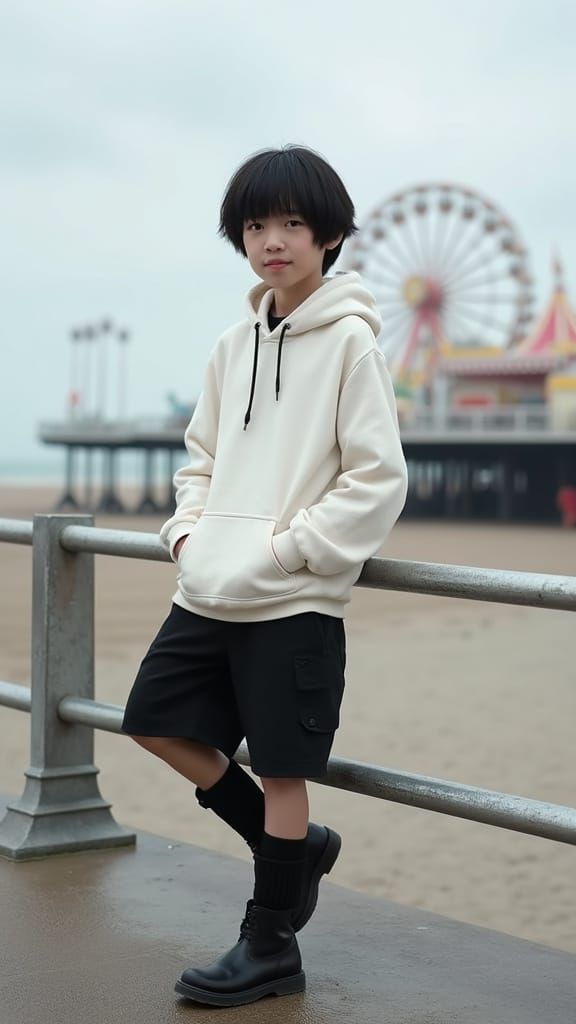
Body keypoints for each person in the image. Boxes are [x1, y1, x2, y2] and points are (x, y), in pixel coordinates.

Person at [122, 144, 408, 1007]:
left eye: (291, 223)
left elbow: (377, 478)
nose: (272, 240)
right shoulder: (232, 343)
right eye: (255, 224)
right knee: (151, 721)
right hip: (207, 588)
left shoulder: (352, 344)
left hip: (293, 597)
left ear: (329, 236)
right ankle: (296, 852)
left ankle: (270, 941)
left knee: (284, 769)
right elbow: (200, 457)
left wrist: (289, 551)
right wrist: (185, 535)